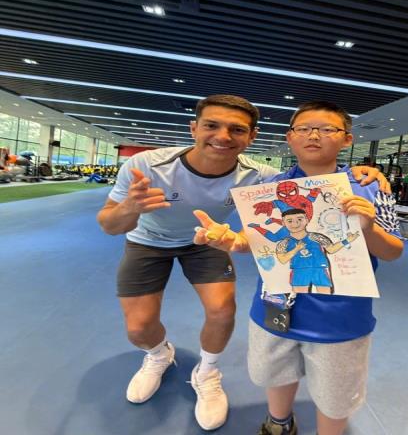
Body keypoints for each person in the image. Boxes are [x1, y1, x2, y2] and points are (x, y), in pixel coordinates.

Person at [97, 94, 390, 431]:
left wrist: (363, 173)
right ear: (194, 128)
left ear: (251, 137)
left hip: (209, 238)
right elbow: (109, 225)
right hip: (148, 240)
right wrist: (130, 208)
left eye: (236, 130)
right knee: (138, 328)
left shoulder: (262, 177)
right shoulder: (146, 166)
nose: (222, 137)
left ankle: (207, 371)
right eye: (211, 125)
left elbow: (314, 181)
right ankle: (159, 355)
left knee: (222, 312)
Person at [193, 100, 403, 435]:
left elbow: (393, 251)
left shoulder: (370, 187)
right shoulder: (271, 187)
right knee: (273, 373)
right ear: (290, 137)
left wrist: (368, 228)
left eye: (327, 129)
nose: (314, 136)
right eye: (304, 129)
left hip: (340, 315)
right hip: (275, 304)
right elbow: (254, 241)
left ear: (347, 139)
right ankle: (279, 422)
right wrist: (232, 241)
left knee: (336, 395)